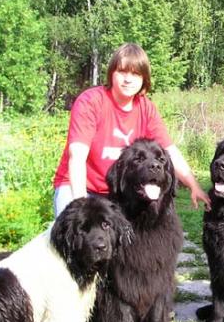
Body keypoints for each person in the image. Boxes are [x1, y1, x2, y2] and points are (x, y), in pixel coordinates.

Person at [53, 43, 210, 216]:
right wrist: (83, 205)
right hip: (78, 186)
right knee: (78, 233)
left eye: (135, 73)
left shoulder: (146, 108)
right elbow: (77, 157)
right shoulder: (91, 102)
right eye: (122, 71)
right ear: (112, 73)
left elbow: (170, 151)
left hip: (118, 192)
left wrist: (194, 185)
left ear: (144, 79)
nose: (128, 79)